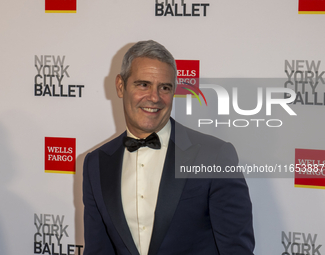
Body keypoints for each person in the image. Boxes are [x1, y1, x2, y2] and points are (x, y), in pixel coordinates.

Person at [82, 40, 255, 255]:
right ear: (120, 86)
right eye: (143, 84)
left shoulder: (214, 156)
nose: (154, 98)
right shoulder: (96, 163)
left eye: (164, 87)